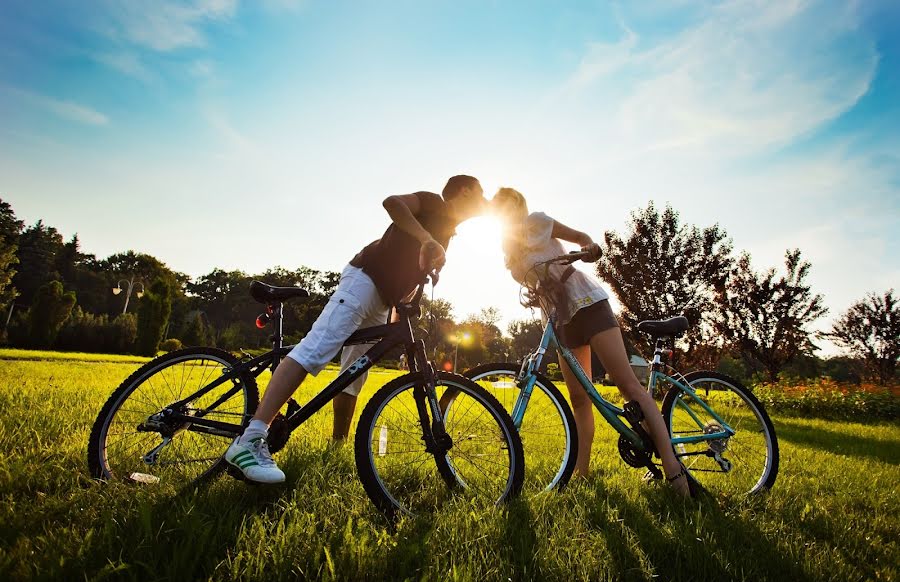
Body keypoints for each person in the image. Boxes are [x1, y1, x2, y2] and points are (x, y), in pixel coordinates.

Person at [226, 175, 489, 483]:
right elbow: (393, 203)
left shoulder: (448, 231)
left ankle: (337, 445)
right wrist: (426, 238)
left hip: (383, 299)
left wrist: (402, 305)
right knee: (314, 350)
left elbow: (406, 268)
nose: (483, 200)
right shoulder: (433, 203)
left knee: (354, 373)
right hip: (365, 280)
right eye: (480, 193)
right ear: (466, 190)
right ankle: (251, 439)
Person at [491, 187, 691, 497]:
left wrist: (590, 247)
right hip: (558, 318)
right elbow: (535, 283)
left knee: (628, 386)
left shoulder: (537, 222)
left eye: (508, 204)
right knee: (580, 398)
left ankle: (674, 472)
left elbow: (580, 236)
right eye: (498, 208)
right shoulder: (510, 255)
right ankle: (581, 474)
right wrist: (534, 295)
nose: (504, 211)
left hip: (585, 301)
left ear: (518, 205)